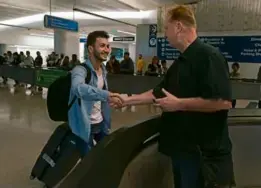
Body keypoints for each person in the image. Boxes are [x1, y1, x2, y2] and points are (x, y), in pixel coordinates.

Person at [116, 5, 234, 188]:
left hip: (202, 155)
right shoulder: (181, 63)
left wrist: (180, 104)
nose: (165, 34)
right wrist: (127, 100)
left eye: (167, 28)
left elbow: (223, 102)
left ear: (178, 27)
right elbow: (158, 93)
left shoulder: (209, 57)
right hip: (182, 150)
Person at [68, 30, 123, 154]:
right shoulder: (80, 70)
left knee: (106, 155)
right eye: (102, 46)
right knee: (88, 164)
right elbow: (78, 88)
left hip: (101, 123)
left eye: (108, 46)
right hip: (84, 125)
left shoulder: (103, 70)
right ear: (91, 49)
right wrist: (106, 95)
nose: (107, 50)